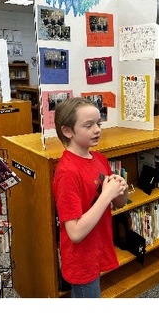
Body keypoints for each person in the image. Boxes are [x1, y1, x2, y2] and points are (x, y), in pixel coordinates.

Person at [51, 97, 129, 298]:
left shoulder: (99, 159)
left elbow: (119, 203)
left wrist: (122, 188)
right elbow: (75, 232)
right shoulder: (67, 173)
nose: (97, 130)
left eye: (98, 124)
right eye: (88, 125)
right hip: (81, 258)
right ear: (67, 131)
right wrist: (106, 195)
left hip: (98, 246)